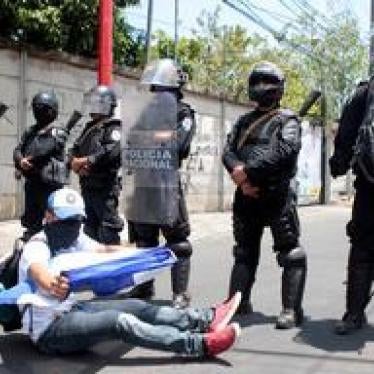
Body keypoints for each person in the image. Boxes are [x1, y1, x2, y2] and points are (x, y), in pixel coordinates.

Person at [18, 187, 241, 357]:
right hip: (50, 330)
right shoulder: (37, 246)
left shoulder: (74, 237)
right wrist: (54, 284)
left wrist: (145, 254)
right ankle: (198, 345)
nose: (72, 225)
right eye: (65, 219)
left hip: (72, 309)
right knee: (120, 321)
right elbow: (40, 273)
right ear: (48, 216)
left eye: (76, 220)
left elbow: (104, 250)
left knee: (139, 306)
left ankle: (204, 319)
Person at [222, 61, 307, 329]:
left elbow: (285, 150)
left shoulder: (288, 120)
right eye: (257, 81)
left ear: (278, 88)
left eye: (266, 82)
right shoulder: (243, 121)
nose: (261, 87)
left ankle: (291, 310)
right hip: (246, 196)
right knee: (244, 252)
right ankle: (237, 303)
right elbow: (227, 149)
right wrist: (236, 170)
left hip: (277, 195)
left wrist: (247, 172)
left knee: (290, 253)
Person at [127, 59, 196, 309]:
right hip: (144, 179)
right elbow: (132, 140)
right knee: (144, 240)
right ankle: (145, 285)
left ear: (173, 88)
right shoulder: (147, 113)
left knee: (177, 239)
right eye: (153, 89)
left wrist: (153, 138)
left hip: (166, 182)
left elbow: (179, 145)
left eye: (160, 89)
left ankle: (180, 293)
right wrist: (159, 137)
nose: (155, 94)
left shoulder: (184, 113)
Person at [329, 79, 374, 335]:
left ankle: (353, 315)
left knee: (362, 251)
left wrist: (339, 164)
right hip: (369, 183)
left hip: (369, 184)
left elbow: (346, 132)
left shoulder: (365, 92)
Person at [69, 85, 123, 245]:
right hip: (87, 186)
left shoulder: (114, 127)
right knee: (89, 229)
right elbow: (75, 148)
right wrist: (73, 163)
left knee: (108, 229)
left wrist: (86, 161)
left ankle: (114, 265)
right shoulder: (89, 127)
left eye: (96, 103)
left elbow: (111, 151)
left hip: (105, 188)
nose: (92, 107)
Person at [13, 91, 68, 242]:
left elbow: (46, 148)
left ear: (51, 110)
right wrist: (20, 160)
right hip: (32, 182)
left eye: (42, 108)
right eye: (37, 108)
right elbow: (18, 149)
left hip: (49, 185)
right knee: (32, 219)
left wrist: (26, 160)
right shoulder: (31, 131)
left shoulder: (58, 130)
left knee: (50, 220)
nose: (39, 112)